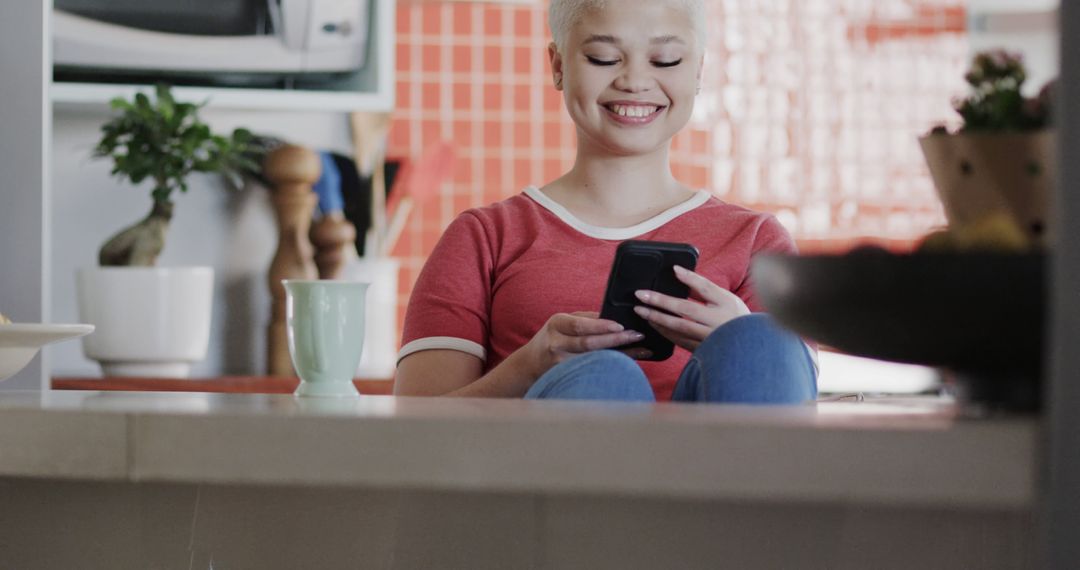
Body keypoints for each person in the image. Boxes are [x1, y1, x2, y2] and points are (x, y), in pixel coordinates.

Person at [393, 0, 817, 403]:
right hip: (545, 472)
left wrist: (735, 339)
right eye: (603, 58)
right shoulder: (485, 238)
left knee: (760, 338)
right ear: (558, 66)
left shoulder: (756, 242)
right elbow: (414, 432)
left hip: (716, 473)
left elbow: (789, 390)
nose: (634, 81)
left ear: (699, 71)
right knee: (604, 377)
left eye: (665, 61)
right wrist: (529, 367)